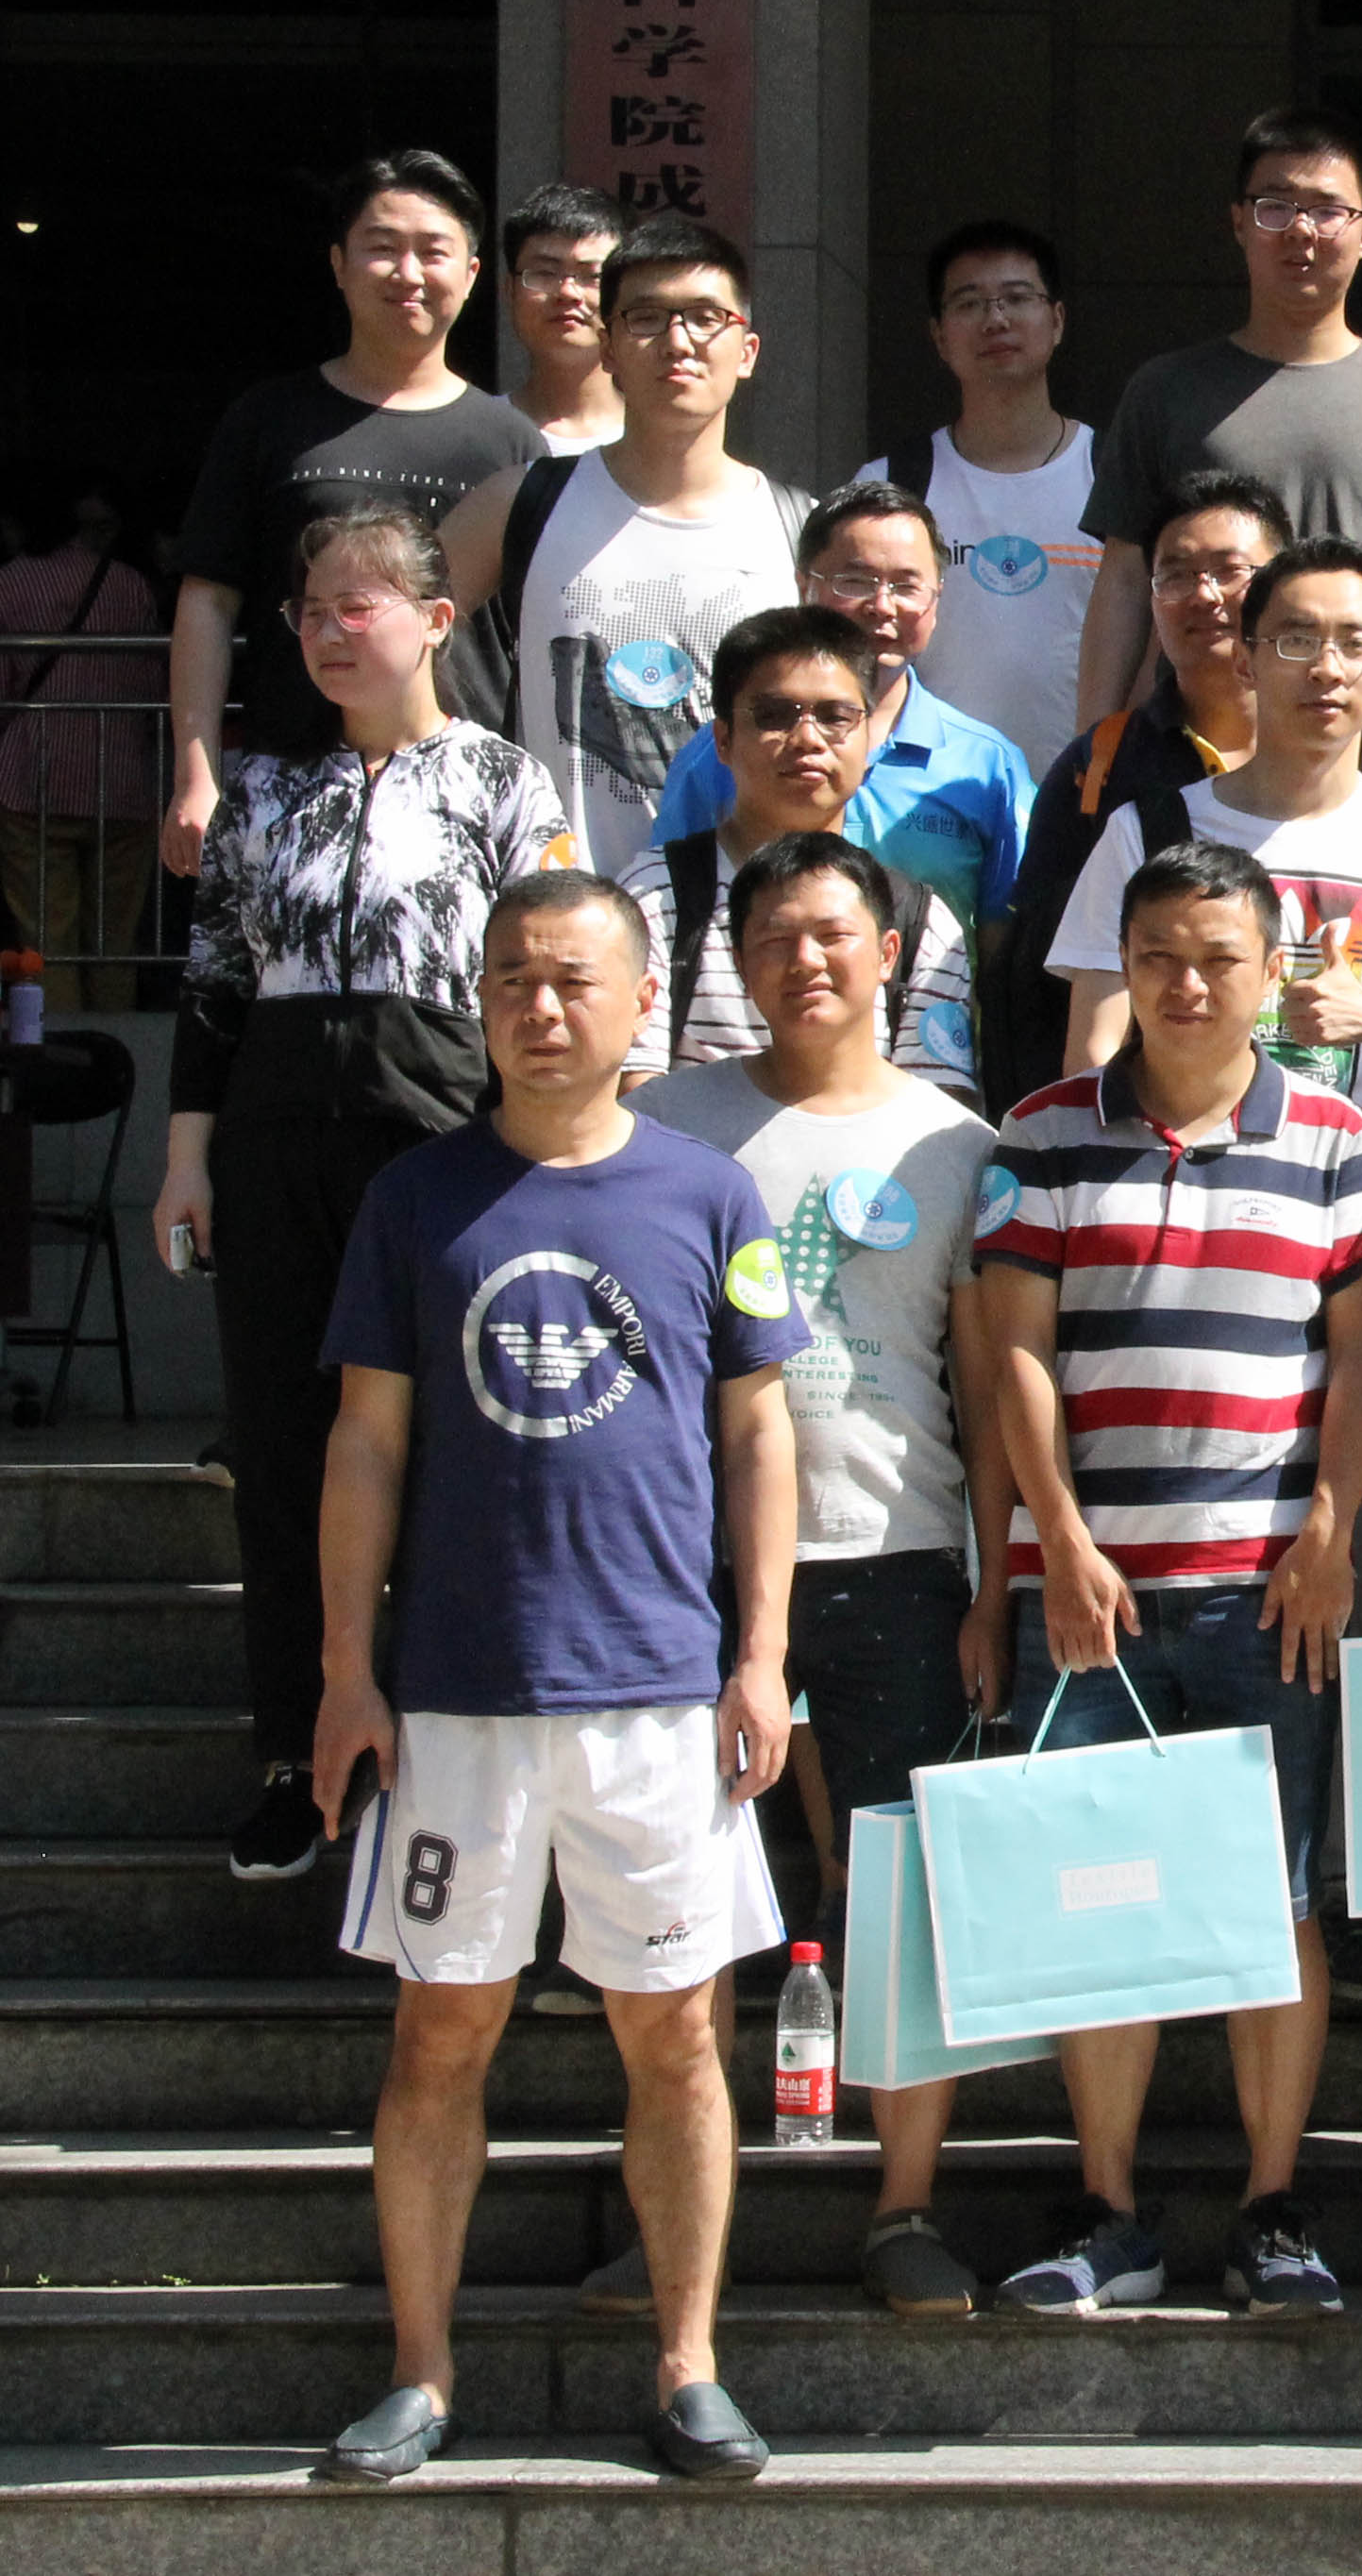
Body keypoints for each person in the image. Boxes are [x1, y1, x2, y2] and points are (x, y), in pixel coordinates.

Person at [305, 867, 807, 2483]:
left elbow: (760, 1435)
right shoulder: (417, 1198)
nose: (540, 1007)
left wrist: (762, 1654)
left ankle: (688, 2365)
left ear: (639, 1001)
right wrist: (346, 1668)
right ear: (479, 999)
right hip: (459, 1695)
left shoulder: (709, 1195)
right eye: (513, 979)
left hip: (659, 1694)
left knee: (679, 2041)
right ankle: (421, 2374)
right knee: (437, 2038)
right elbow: (365, 1442)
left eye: (573, 979)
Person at [978, 836, 1362, 2320]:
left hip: (1265, 1587)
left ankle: (1272, 2210)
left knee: (1275, 1899)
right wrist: (1056, 1542)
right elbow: (1013, 1355)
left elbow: (1358, 1361)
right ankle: (1108, 2212)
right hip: (1086, 1591)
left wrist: (1330, 1534)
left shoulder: (1337, 1136)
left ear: (1273, 970)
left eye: (1220, 958)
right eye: (1157, 956)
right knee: (1100, 1897)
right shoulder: (1041, 1131)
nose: (1187, 984)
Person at [156, 505, 576, 1882]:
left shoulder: (505, 783)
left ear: (437, 621)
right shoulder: (262, 788)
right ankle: (299, 1752)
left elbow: (543, 975)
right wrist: (186, 1157)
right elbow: (213, 987)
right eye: (310, 612)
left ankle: (455, 1736)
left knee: (458, 1443)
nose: (332, 632)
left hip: (441, 1136)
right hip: (275, 1141)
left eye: (361, 606)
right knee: (283, 1449)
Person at [632, 829, 1008, 2319]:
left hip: (897, 1555)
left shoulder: (955, 1146)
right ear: (737, 958)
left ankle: (902, 2206)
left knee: (899, 1894)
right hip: (690, 1573)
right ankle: (674, 2216)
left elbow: (983, 1387)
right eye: (775, 936)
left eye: (834, 934)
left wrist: (994, 1582)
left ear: (891, 955)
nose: (806, 960)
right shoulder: (662, 1125)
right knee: (676, 1908)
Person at [167, 148, 546, 875]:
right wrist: (197, 771)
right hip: (291, 780)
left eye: (433, 251)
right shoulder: (269, 420)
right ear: (339, 265)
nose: (408, 272)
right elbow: (208, 601)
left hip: (461, 794)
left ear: (471, 275)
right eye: (382, 247)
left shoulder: (512, 444)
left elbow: (537, 632)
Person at [434, 215, 813, 877]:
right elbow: (398, 636)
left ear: (747, 350)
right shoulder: (521, 502)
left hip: (746, 914)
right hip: (559, 908)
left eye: (706, 317)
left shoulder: (800, 528)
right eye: (646, 318)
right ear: (607, 348)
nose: (678, 341)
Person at [1074, 106, 1362, 727]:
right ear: (1239, 221)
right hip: (1199, 743)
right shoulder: (1165, 391)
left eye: (1327, 210)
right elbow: (1126, 580)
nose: (1300, 230)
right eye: (1275, 207)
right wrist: (1092, 745)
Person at [1049, 537, 1362, 1089]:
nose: (1327, 669)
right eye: (1296, 641)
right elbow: (1093, 1057)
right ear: (1245, 662)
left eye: (1355, 644)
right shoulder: (1142, 832)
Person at [981, 472, 1278, 1111]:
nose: (1204, 594)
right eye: (1176, 575)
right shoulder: (1101, 767)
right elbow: (1039, 978)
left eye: (1231, 571)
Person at [613, 607, 981, 1099]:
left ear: (868, 737)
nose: (808, 739)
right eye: (774, 716)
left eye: (835, 717)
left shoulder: (919, 921)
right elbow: (634, 1101)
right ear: (723, 740)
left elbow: (936, 1113)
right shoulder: (653, 898)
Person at [645, 481, 1039, 941]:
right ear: (803, 586)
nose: (882, 606)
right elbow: (670, 904)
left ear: (937, 598)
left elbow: (1006, 941)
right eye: (856, 581)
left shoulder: (986, 766)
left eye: (907, 586)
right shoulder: (724, 753)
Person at [862, 219, 1101, 771]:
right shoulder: (891, 486)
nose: (996, 320)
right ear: (939, 336)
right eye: (969, 304)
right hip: (928, 799)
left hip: (1087, 795)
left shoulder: (1113, 476)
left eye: (1017, 298)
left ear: (1057, 320)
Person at [0, 486, 166, 1004]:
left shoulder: (10, 582)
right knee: (115, 942)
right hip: (122, 782)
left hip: (32, 781)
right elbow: (151, 688)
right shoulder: (131, 584)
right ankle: (117, 1039)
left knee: (47, 941)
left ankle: (63, 1042)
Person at [496, 183, 622, 456]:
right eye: (545, 273)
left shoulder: (657, 438)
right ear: (509, 290)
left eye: (593, 276)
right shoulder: (477, 431)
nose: (568, 292)